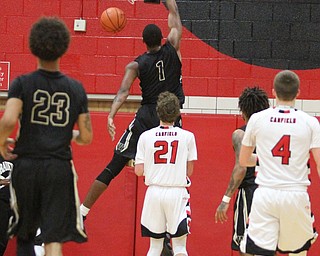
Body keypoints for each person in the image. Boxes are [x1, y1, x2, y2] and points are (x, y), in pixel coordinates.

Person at [80, 0, 184, 254]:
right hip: (172, 116)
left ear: (143, 42)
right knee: (170, 177)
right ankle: (170, 237)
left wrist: (111, 116)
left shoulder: (136, 65)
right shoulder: (173, 46)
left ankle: (81, 214)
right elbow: (175, 14)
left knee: (114, 164)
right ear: (162, 37)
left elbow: (123, 91)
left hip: (147, 116)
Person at [0, 16, 93, 256]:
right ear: (64, 47)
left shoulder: (21, 83)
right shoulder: (76, 89)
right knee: (53, 239)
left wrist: (1, 142)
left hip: (27, 165)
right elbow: (86, 137)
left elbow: (9, 120)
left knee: (25, 236)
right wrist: (67, 134)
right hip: (59, 168)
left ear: (32, 46)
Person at [239, 70, 320, 256]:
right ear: (298, 92)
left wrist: (263, 161)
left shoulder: (257, 119)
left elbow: (244, 160)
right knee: (298, 250)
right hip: (295, 194)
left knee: (258, 251)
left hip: (266, 193)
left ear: (273, 92)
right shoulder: (310, 123)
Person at [134, 91, 197, 256]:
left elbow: (138, 171)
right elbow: (189, 171)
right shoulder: (188, 137)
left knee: (154, 248)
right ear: (177, 113)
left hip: (154, 192)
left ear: (157, 112)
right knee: (180, 248)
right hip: (177, 192)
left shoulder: (145, 137)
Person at [214, 87, 270, 255]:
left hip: (250, 193)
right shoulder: (276, 133)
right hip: (271, 193)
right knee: (266, 247)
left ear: (243, 111)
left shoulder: (240, 134)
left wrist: (225, 199)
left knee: (245, 248)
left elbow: (241, 167)